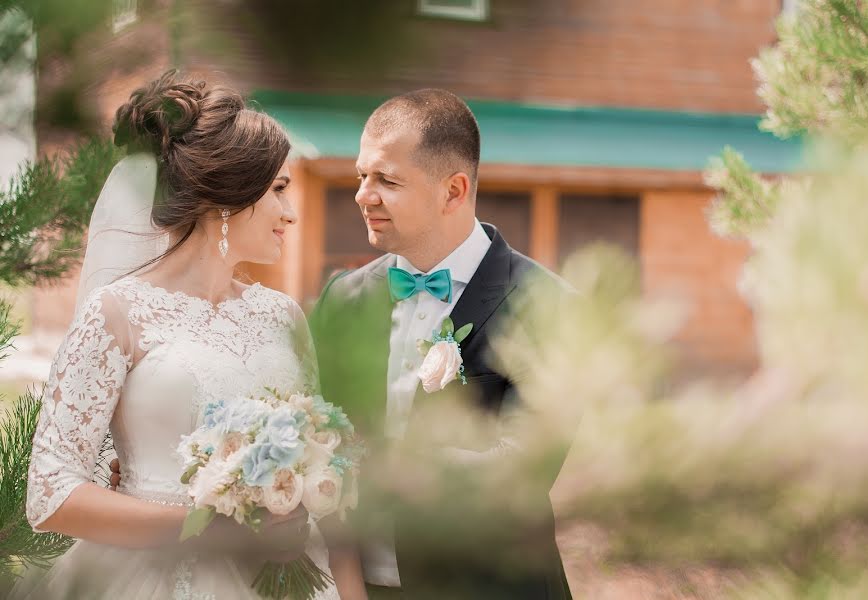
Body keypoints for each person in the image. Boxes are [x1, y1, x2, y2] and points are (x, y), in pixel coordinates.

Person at [11, 71, 363, 599]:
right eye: (278, 191)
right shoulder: (118, 313)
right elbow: (51, 494)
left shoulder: (284, 315)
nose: (289, 214)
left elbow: (327, 471)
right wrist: (203, 527)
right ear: (228, 196)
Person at [311, 89, 573, 600]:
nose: (363, 195)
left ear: (453, 191)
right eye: (360, 176)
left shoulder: (549, 305)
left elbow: (526, 467)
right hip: (358, 586)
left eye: (386, 180)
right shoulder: (342, 298)